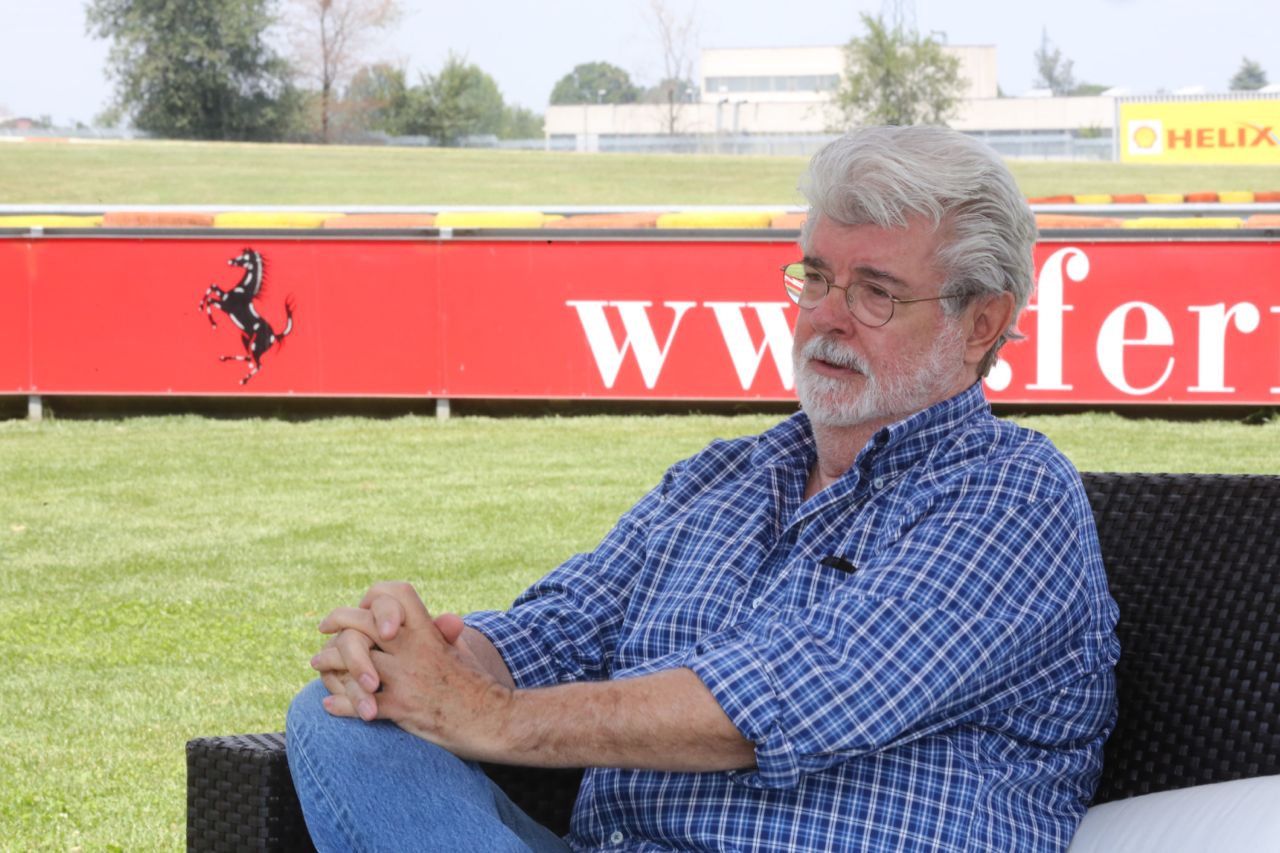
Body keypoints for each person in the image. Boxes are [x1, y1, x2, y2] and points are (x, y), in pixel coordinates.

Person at [286, 125, 1119, 852]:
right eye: (817, 277)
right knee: (341, 722)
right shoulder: (720, 480)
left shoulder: (1011, 494)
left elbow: (789, 698)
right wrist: (412, 659)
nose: (827, 316)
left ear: (980, 323)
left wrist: (488, 715)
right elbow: (559, 629)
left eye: (875, 292)